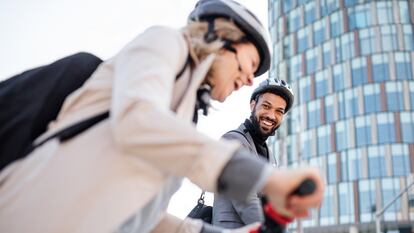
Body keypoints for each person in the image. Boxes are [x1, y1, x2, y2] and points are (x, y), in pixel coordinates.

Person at [0, 1, 325, 233]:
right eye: (248, 63)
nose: (248, 80)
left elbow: (147, 218)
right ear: (220, 39)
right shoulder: (165, 42)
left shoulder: (182, 120)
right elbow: (138, 122)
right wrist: (266, 179)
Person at [212, 77, 294, 229]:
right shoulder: (233, 140)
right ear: (253, 105)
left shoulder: (270, 154)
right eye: (266, 106)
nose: (271, 115)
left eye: (279, 111)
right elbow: (245, 199)